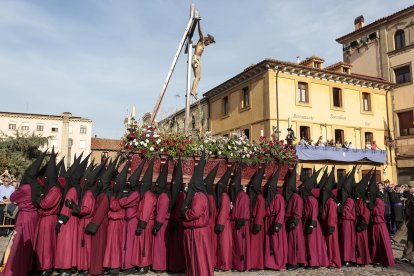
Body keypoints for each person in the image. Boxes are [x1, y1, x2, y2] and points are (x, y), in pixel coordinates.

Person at [3, 152, 45, 276]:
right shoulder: (38, 186)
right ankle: (28, 267)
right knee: (30, 243)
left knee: (20, 244)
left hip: (25, 217)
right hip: (34, 216)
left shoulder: (26, 187)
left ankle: (18, 268)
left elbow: (12, 196)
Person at [181, 153, 214, 276]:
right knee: (198, 258)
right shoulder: (201, 195)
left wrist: (185, 212)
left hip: (198, 232)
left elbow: (195, 213)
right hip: (198, 231)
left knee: (199, 257)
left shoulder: (199, 196)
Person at [33, 149, 63, 276]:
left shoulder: (55, 190)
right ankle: (41, 265)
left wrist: (39, 199)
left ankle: (47, 266)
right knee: (42, 244)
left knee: (47, 245)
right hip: (44, 219)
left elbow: (46, 204)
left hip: (49, 219)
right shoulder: (50, 188)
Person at [103, 161, 130, 275]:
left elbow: (114, 207)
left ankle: (115, 266)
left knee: (115, 245)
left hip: (117, 222)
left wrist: (111, 196)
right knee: (111, 245)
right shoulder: (120, 193)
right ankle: (110, 265)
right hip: (113, 222)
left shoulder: (122, 195)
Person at [118, 159, 145, 274]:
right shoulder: (132, 192)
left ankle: (129, 266)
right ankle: (125, 264)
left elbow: (124, 202)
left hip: (132, 221)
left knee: (129, 244)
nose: (129, 183)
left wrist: (121, 197)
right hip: (127, 221)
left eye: (131, 182)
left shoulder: (135, 194)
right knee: (125, 243)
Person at [131, 159, 157, 274]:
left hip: (145, 223)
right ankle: (140, 263)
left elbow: (146, 211)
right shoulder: (145, 194)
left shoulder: (148, 195)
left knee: (145, 245)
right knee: (140, 244)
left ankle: (144, 265)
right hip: (143, 222)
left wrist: (141, 225)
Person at [366, 174, 395, 267]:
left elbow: (378, 212)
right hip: (375, 224)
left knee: (381, 243)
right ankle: (376, 259)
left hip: (380, 225)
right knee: (375, 243)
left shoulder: (379, 201)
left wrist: (371, 207)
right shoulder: (375, 201)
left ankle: (383, 260)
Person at [264, 168, 287, 270]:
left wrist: (277, 224)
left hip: (275, 223)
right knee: (270, 244)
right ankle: (270, 263)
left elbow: (280, 212)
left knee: (276, 245)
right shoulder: (271, 197)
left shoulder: (278, 198)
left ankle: (277, 263)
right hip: (269, 221)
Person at [284, 165, 306, 270]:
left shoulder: (296, 197)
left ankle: (295, 262)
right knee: (291, 243)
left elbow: (297, 212)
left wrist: (294, 221)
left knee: (295, 243)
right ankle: (291, 261)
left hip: (294, 223)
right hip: (289, 221)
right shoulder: (290, 197)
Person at [151, 160, 171, 272]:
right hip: (162, 223)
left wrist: (157, 226)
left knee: (160, 246)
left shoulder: (163, 196)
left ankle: (160, 266)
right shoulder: (162, 194)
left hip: (162, 224)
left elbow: (162, 213)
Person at [168, 160, 186, 273]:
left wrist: (174, 220)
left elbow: (179, 210)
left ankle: (177, 267)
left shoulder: (182, 195)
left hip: (179, 224)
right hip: (176, 223)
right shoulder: (178, 194)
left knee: (178, 248)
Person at [190, 20, 215, 99]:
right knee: (198, 77)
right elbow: (200, 31)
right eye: (210, 42)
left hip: (196, 59)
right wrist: (198, 21)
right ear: (208, 40)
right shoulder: (202, 40)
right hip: (196, 59)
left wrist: (191, 46)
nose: (209, 44)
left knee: (198, 77)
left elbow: (195, 46)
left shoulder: (200, 44)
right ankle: (193, 91)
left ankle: (193, 90)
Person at [215, 165, 234, 271]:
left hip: (224, 224)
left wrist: (220, 224)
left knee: (224, 245)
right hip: (223, 223)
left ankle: (225, 265)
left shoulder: (224, 196)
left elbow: (224, 210)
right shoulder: (224, 195)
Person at [249, 166, 266, 270]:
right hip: (253, 221)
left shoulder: (260, 198)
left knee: (256, 246)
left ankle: (256, 264)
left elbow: (260, 213)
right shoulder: (255, 197)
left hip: (256, 223)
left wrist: (258, 224)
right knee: (252, 245)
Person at [401, 181, 414, 263]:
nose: (408, 188)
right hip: (411, 221)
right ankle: (407, 257)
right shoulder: (411, 196)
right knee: (410, 240)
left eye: (410, 187)